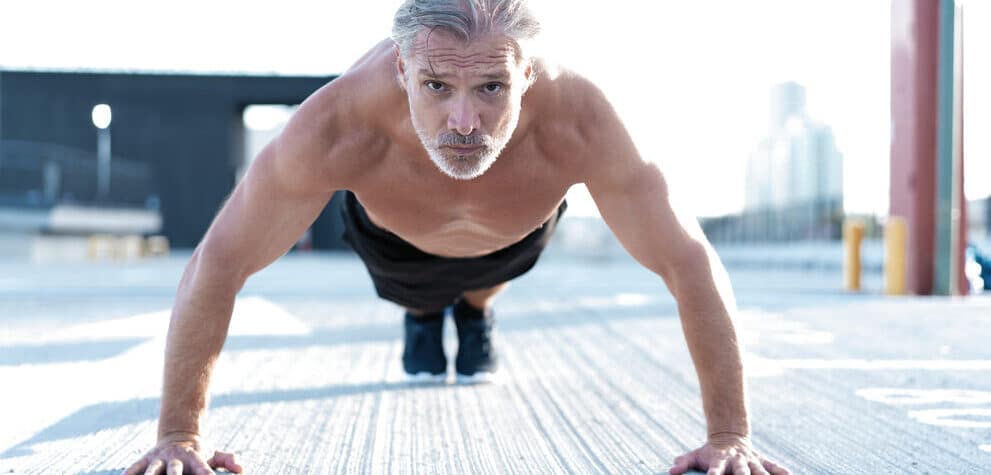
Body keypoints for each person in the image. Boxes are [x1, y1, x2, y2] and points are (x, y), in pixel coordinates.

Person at [124, 1, 791, 474]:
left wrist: (728, 434)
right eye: (437, 86)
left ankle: (473, 310)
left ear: (527, 74)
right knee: (416, 291)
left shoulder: (582, 123)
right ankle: (424, 314)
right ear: (402, 70)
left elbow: (686, 260)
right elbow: (220, 260)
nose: (464, 120)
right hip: (395, 243)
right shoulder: (336, 126)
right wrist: (179, 433)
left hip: (511, 238)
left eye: (492, 87)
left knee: (485, 276)